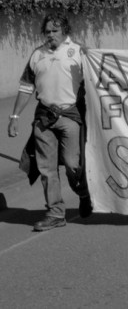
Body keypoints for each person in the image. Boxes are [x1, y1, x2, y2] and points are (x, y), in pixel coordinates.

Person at [8, 13, 92, 231]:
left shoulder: (79, 52)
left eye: (55, 30)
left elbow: (96, 80)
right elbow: (26, 87)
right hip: (44, 119)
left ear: (65, 31)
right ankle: (55, 213)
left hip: (71, 117)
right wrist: (14, 117)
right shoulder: (37, 55)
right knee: (47, 169)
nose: (51, 35)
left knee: (73, 165)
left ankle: (83, 192)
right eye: (47, 31)